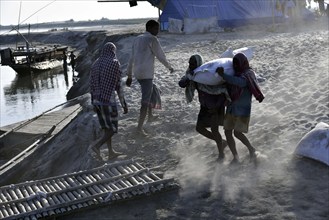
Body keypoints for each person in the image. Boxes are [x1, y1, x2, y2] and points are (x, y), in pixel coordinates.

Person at [126, 19, 174, 136]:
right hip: (146, 74)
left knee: (152, 89)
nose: (157, 31)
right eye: (156, 28)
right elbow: (160, 56)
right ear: (151, 28)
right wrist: (169, 67)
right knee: (145, 101)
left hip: (138, 72)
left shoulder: (137, 39)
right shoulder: (152, 39)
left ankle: (151, 116)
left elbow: (131, 58)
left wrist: (129, 75)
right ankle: (139, 127)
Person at [216, 53, 264, 164]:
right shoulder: (235, 74)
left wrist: (224, 75)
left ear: (243, 62)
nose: (236, 66)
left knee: (237, 133)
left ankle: (251, 149)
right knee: (227, 132)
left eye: (238, 64)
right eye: (235, 64)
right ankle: (236, 157)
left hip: (243, 110)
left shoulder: (248, 74)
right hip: (231, 108)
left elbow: (240, 83)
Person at [179, 54, 229, 160]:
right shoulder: (194, 74)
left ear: (198, 63)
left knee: (215, 130)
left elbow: (219, 88)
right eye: (189, 63)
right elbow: (181, 83)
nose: (190, 65)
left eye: (192, 63)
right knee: (199, 128)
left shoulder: (207, 73)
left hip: (215, 106)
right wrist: (188, 78)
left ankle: (221, 154)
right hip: (205, 106)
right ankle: (222, 143)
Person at [89, 42, 128, 160]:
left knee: (106, 128)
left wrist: (93, 102)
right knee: (113, 129)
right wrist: (123, 103)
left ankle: (111, 152)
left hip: (97, 101)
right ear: (113, 51)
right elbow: (118, 86)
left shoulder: (95, 64)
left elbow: (91, 85)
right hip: (108, 101)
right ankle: (97, 145)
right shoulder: (114, 63)